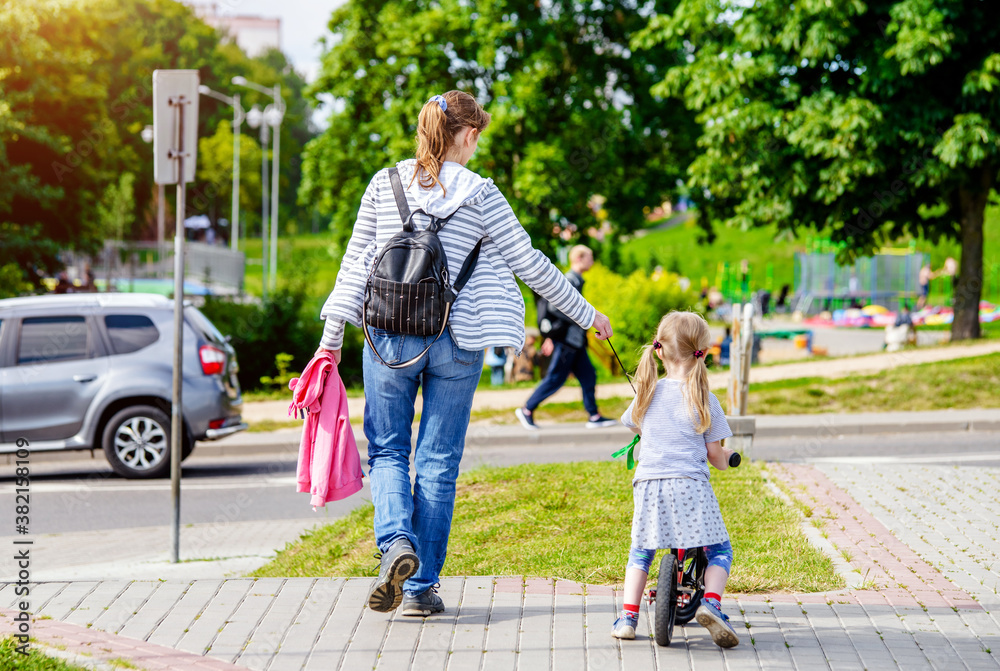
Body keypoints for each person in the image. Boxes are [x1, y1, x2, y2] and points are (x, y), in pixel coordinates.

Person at [315, 91, 613, 618]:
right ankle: (419, 589)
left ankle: (396, 542)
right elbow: (532, 264)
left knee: (388, 450)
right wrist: (588, 314)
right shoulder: (482, 194)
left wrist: (330, 340)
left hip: (386, 336)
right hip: (456, 337)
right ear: (470, 135)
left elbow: (354, 262)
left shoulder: (384, 184)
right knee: (438, 461)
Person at [611, 311, 739, 648]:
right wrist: (727, 458)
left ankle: (627, 618)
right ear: (703, 352)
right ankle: (711, 604)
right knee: (720, 550)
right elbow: (715, 456)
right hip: (690, 484)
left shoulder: (647, 392)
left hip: (649, 484)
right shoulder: (705, 399)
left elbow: (633, 424)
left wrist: (652, 433)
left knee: (641, 551)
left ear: (659, 351)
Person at [515, 245, 617, 430]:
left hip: (575, 341)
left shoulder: (576, 279)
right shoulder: (570, 279)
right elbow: (554, 308)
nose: (592, 261)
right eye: (589, 257)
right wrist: (583, 319)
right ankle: (527, 409)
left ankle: (594, 415)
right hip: (567, 340)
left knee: (588, 375)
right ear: (579, 258)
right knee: (556, 378)